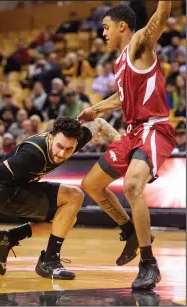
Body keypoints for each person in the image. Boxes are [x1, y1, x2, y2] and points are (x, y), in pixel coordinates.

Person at [0, 117, 121, 280]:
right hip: (5, 194)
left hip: (24, 187)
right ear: (51, 137)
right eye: (59, 146)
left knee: (67, 220)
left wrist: (124, 145)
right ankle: (49, 261)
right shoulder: (30, 155)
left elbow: (98, 124)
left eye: (69, 149)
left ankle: (8, 237)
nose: (62, 154)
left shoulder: (72, 139)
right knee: (74, 197)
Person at [78, 2, 175, 290]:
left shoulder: (138, 43)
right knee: (92, 185)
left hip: (154, 128)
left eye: (106, 27)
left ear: (122, 26)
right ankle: (131, 232)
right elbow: (121, 99)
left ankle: (148, 263)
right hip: (133, 132)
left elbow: (163, 16)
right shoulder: (122, 63)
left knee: (133, 186)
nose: (103, 33)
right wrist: (95, 110)